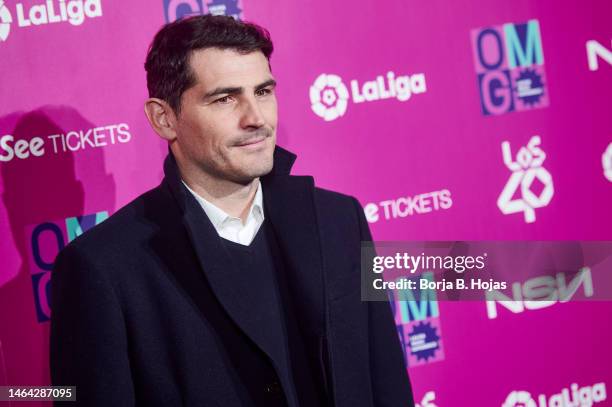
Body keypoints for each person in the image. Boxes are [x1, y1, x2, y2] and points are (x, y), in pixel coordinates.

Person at [50, 14, 414, 407]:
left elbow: (385, 377)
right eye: (225, 98)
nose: (255, 118)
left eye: (263, 92)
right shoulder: (104, 267)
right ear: (164, 118)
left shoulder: (340, 221)